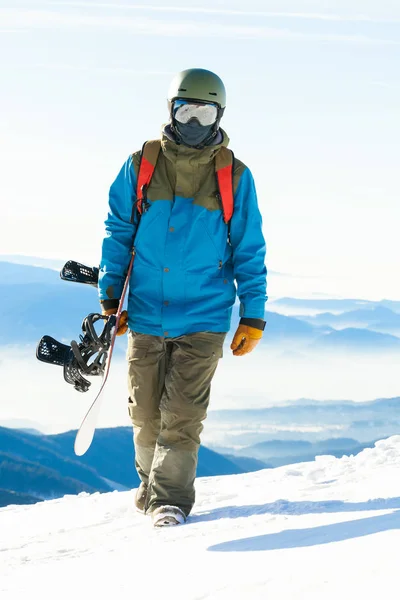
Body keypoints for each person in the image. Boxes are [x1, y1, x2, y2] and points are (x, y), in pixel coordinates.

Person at [98, 68, 267, 527]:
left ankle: (169, 500)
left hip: (205, 316)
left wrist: (253, 315)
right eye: (185, 110)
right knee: (146, 415)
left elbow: (249, 249)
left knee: (182, 415)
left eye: (204, 111)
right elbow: (118, 232)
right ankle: (150, 484)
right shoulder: (141, 165)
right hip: (147, 311)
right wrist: (111, 294)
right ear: (171, 110)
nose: (194, 121)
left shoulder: (234, 175)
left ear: (219, 115)